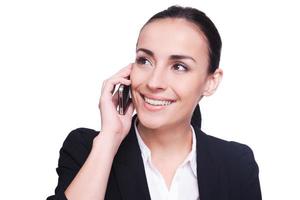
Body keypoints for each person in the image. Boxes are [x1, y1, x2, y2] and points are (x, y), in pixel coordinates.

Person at [47, 5, 262, 200]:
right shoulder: (87, 149)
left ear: (211, 82)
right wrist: (110, 139)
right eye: (145, 61)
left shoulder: (236, 163)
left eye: (179, 66)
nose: (154, 82)